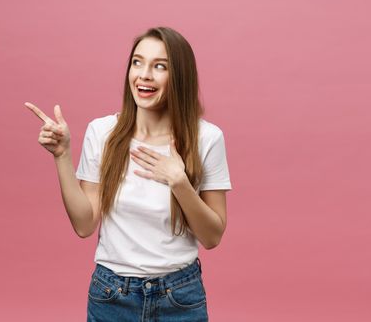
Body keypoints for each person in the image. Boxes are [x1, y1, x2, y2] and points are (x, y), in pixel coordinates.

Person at [25, 26, 232, 322]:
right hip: (112, 296)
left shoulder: (207, 138)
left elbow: (212, 237)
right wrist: (62, 156)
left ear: (180, 77)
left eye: (159, 66)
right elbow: (84, 225)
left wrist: (179, 183)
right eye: (137, 62)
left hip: (180, 296)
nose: (144, 74)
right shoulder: (103, 132)